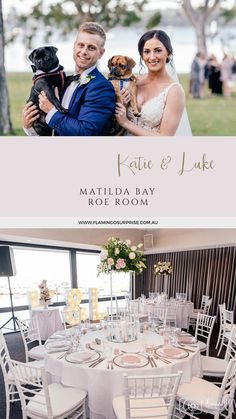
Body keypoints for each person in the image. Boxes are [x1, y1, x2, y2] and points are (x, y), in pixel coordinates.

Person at [22, 22, 116, 136]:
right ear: (74, 46)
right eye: (81, 45)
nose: (84, 51)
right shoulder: (63, 81)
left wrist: (51, 111)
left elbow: (86, 132)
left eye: (91, 48)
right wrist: (29, 127)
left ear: (101, 53)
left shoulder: (101, 88)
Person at [115, 30, 186, 136]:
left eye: (158, 50)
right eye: (147, 51)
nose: (152, 57)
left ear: (169, 53)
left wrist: (126, 123)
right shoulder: (134, 82)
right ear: (142, 55)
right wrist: (122, 104)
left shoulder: (174, 91)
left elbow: (165, 139)